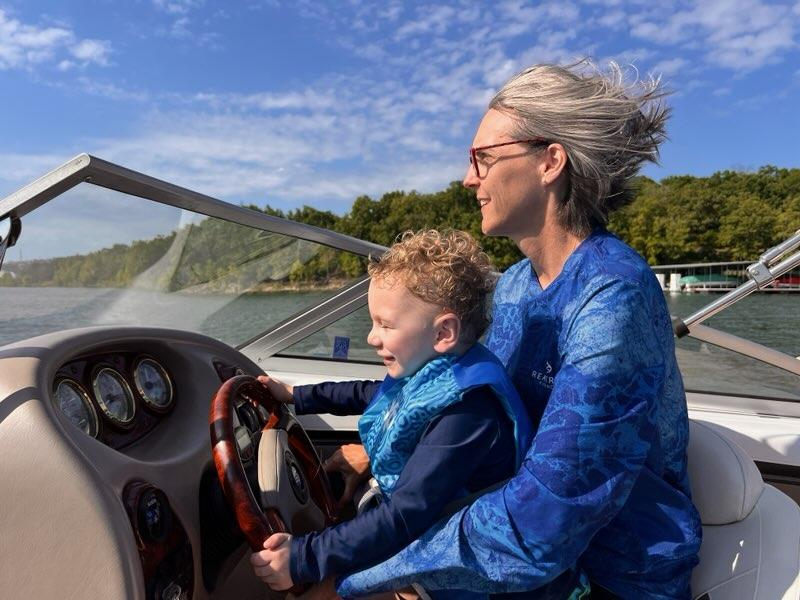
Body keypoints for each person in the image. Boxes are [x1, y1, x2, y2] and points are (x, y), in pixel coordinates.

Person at [322, 62, 703, 599]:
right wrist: (375, 446)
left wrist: (359, 577)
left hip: (614, 575)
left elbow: (544, 523)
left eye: (482, 157)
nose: (468, 178)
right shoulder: (517, 286)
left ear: (550, 161)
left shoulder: (612, 293)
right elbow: (470, 399)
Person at [250, 229, 538, 599]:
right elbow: (373, 393)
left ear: (443, 332)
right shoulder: (436, 367)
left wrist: (303, 557)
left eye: (385, 325)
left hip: (453, 561)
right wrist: (295, 395)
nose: (372, 337)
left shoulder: (468, 412)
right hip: (418, 524)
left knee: (316, 594)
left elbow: (405, 514)